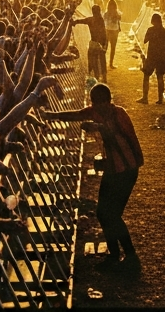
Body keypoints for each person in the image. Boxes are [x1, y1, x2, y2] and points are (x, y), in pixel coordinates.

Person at [42, 83, 143, 272]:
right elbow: (77, 115)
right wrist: (52, 116)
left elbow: (115, 133)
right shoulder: (96, 112)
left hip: (127, 168)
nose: (98, 107)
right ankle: (114, 255)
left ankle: (130, 255)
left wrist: (97, 127)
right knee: (102, 213)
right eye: (95, 104)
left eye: (101, 103)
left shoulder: (119, 114)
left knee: (112, 214)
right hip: (112, 168)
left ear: (108, 101)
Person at [141, 12, 165, 105]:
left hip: (152, 56)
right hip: (162, 56)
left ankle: (145, 97)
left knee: (146, 76)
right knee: (160, 77)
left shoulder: (151, 30)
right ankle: (160, 99)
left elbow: (145, 40)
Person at [103, 0, 122, 70]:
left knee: (107, 47)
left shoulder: (107, 13)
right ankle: (109, 63)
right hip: (111, 30)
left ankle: (107, 63)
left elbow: (118, 21)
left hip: (110, 30)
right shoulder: (114, 13)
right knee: (109, 48)